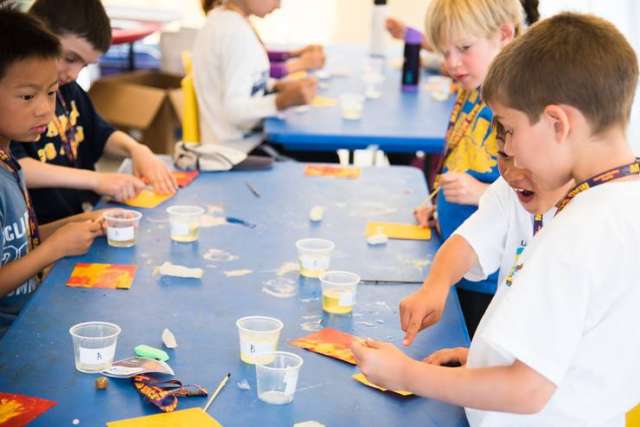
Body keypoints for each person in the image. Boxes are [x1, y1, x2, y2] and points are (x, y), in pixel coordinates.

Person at [352, 12, 640, 425]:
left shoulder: (577, 229)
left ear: (558, 123)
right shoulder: (623, 202)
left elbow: (527, 390)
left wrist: (407, 374)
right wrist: (485, 361)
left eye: (507, 130)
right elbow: (582, 355)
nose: (505, 149)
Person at [413, 0, 528, 336]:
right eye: (444, 52)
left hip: (489, 279)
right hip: (455, 258)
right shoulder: (473, 89)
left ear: (504, 35)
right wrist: (437, 202)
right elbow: (462, 155)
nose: (451, 63)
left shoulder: (520, 104)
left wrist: (480, 193)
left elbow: (543, 195)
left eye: (464, 48)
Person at [399, 129, 573, 348]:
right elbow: (468, 241)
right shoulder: (508, 190)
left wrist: (407, 372)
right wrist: (434, 287)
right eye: (503, 155)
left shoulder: (594, 213)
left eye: (525, 158)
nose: (511, 173)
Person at [10, 0, 176, 225]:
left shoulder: (68, 89)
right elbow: (15, 168)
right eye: (69, 58)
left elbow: (100, 132)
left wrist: (137, 149)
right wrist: (97, 180)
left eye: (84, 65)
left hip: (83, 216)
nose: (74, 74)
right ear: (40, 35)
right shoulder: (14, 103)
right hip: (44, 227)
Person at [0, 7, 103, 338]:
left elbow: (16, 246)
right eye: (28, 96)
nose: (45, 109)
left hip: (28, 320)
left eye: (50, 93)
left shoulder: (9, 160)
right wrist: (54, 249)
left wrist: (69, 226)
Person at [193, 0, 318, 147]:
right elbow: (234, 111)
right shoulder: (234, 33)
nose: (278, 5)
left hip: (232, 142)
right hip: (236, 151)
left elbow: (245, 79)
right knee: (326, 156)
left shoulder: (226, 20)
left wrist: (275, 86)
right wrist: (281, 101)